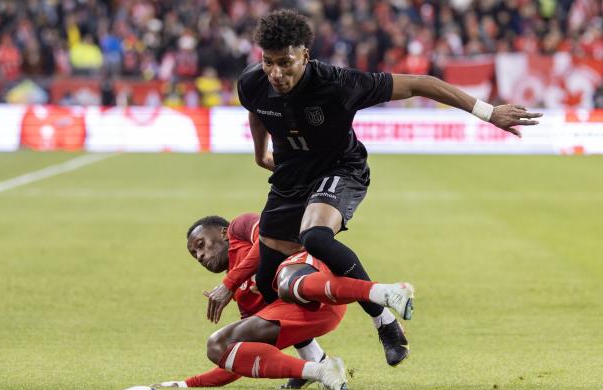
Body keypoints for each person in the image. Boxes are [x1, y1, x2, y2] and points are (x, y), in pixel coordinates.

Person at [204, 9, 542, 368]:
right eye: (268, 62)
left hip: (341, 169)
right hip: (291, 177)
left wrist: (489, 112)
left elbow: (419, 82)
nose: (276, 73)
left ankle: (385, 322)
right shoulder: (252, 82)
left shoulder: (338, 83)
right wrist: (261, 154)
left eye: (285, 63)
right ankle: (314, 361)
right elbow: (256, 110)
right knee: (269, 283)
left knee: (316, 236)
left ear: (304, 55)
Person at [157, 214, 413, 390]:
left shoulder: (239, 228)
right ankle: (320, 370)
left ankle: (384, 294)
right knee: (217, 345)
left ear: (222, 233)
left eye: (200, 245)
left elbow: (270, 240)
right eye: (194, 255)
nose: (200, 255)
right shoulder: (244, 299)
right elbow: (238, 361)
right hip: (314, 316)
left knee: (284, 281)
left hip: (315, 275)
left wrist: (230, 282)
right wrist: (187, 384)